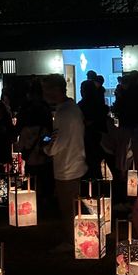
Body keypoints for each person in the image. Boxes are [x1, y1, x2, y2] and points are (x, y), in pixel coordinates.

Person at [42, 73, 87, 250]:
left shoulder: (64, 112)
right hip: (76, 161)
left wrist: (46, 148)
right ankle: (79, 237)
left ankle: (72, 240)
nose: (44, 93)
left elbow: (57, 142)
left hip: (67, 166)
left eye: (46, 89)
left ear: (55, 90)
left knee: (68, 208)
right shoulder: (72, 108)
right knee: (73, 205)